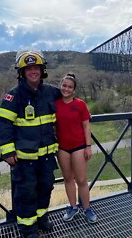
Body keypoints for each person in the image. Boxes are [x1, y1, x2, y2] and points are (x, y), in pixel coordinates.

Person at [0, 49, 61, 238]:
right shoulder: (14, 96)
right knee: (26, 193)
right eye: (28, 68)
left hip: (47, 156)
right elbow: (3, 122)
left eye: (36, 67)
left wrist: (81, 111)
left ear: (42, 70)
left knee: (46, 187)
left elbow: (68, 99)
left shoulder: (50, 92)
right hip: (25, 158)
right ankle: (27, 228)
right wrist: (8, 151)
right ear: (22, 73)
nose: (33, 71)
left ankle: (41, 218)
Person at [55, 73, 98, 224]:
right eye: (64, 85)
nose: (66, 89)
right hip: (62, 148)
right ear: (61, 86)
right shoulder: (55, 103)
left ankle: (87, 208)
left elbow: (86, 126)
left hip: (79, 146)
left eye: (70, 87)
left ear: (74, 90)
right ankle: (73, 207)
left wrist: (88, 146)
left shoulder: (80, 104)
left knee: (81, 180)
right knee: (68, 179)